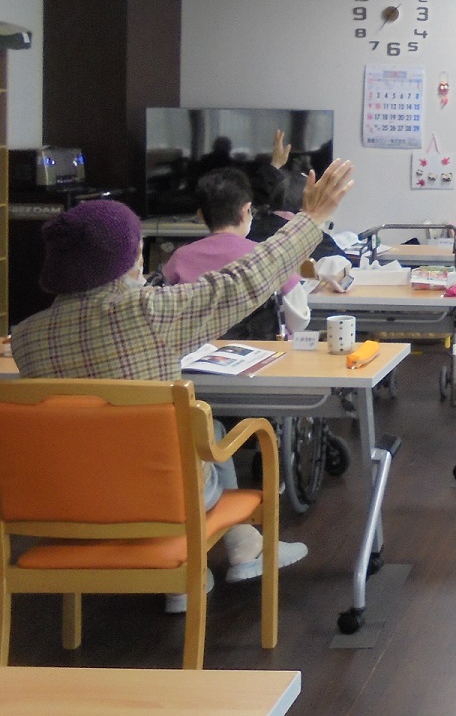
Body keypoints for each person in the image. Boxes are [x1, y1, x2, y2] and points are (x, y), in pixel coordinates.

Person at [10, 160, 355, 611]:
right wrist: (312, 219)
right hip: (163, 498)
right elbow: (243, 280)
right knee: (203, 430)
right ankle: (218, 555)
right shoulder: (150, 314)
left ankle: (195, 569)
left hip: (65, 503)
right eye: (136, 250)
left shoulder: (25, 339)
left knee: (176, 432)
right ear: (121, 261)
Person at [163, 167, 310, 338]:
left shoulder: (180, 258)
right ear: (245, 210)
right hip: (264, 354)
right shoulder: (269, 256)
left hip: (195, 356)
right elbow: (299, 320)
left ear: (201, 215)